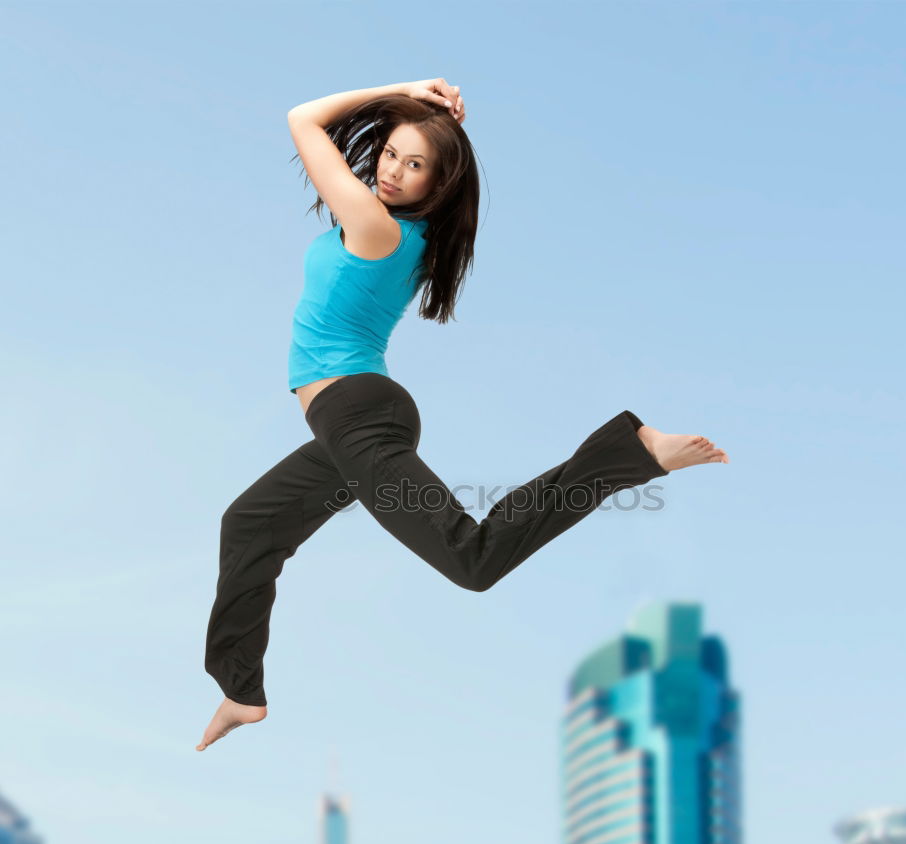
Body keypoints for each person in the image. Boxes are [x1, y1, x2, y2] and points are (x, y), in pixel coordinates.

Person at [197, 78, 729, 752]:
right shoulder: (397, 230)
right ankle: (240, 691)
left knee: (471, 560)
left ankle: (631, 452)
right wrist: (417, 104)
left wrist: (401, 90)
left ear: (437, 184)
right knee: (250, 523)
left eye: (414, 164)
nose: (392, 170)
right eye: (390, 153)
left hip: (359, 413)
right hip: (346, 420)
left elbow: (302, 119)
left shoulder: (373, 226)